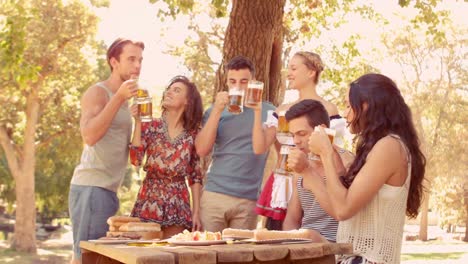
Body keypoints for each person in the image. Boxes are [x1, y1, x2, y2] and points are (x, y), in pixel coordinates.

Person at [307, 73, 426, 263]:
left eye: (348, 105)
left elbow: (342, 210)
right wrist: (335, 162)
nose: (345, 113)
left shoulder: (389, 146)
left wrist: (326, 154)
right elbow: (345, 204)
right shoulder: (378, 146)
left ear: (366, 105)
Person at [68, 38, 144, 264]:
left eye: (140, 60)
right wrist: (119, 97)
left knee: (96, 259)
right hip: (91, 187)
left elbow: (133, 158)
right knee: (86, 259)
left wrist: (138, 121)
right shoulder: (98, 93)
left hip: (108, 190)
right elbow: (89, 136)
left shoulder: (125, 101)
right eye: (131, 59)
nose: (137, 66)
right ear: (114, 62)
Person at [254, 51, 343, 230]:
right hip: (283, 182)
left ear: (311, 72)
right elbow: (259, 147)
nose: (289, 73)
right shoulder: (282, 110)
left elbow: (333, 153)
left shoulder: (328, 109)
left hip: (312, 183)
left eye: (294, 68)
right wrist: (257, 110)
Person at [195, 55, 276, 232]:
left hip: (248, 200)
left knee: (240, 257)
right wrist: (217, 110)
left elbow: (261, 149)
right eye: (232, 82)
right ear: (227, 82)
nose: (238, 87)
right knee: (207, 256)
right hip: (215, 195)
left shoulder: (269, 111)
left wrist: (257, 110)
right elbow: (201, 149)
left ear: (253, 81)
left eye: (244, 81)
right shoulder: (214, 111)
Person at [129, 75, 203, 238]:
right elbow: (135, 160)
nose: (169, 92)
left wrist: (196, 212)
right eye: (168, 89)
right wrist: (138, 122)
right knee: (146, 257)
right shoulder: (151, 125)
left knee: (172, 257)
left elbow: (195, 176)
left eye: (176, 90)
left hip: (179, 203)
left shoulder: (193, 134)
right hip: (150, 200)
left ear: (187, 101)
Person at [282, 99, 353, 242]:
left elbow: (342, 213)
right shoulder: (301, 166)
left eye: (301, 133)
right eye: (292, 135)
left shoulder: (347, 162)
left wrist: (307, 172)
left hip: (337, 248)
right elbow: (292, 219)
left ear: (322, 130)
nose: (296, 141)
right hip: (305, 246)